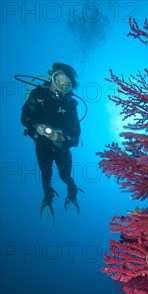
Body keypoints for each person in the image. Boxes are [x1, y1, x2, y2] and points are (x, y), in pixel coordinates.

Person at [21, 62, 83, 222]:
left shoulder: (70, 105)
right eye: (58, 80)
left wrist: (61, 138)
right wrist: (35, 125)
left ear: (69, 88)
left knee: (65, 175)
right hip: (42, 144)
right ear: (51, 77)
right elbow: (24, 118)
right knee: (45, 172)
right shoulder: (37, 94)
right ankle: (47, 198)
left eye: (66, 85)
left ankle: (72, 194)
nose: (60, 87)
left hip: (62, 147)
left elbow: (75, 138)